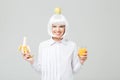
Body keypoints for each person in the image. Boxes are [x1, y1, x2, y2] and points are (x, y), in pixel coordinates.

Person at [21, 8, 87, 80]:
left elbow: (74, 70)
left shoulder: (72, 45)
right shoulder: (43, 45)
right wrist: (32, 61)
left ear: (65, 28)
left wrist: (81, 61)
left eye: (61, 26)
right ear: (50, 27)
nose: (57, 30)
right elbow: (41, 70)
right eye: (54, 26)